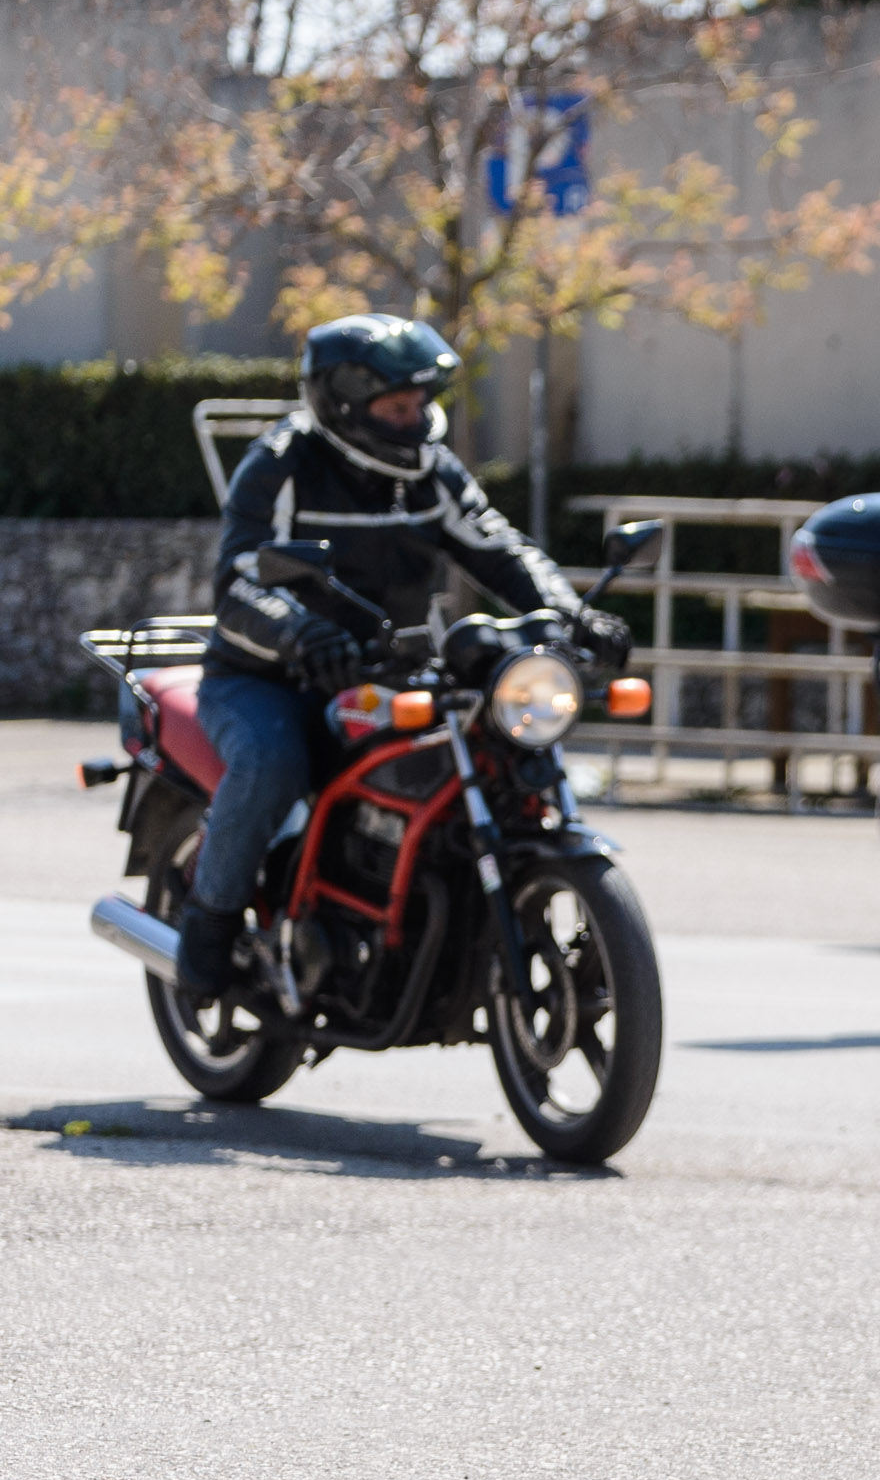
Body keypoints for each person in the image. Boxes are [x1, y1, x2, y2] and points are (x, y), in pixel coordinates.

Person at [194, 315, 626, 999]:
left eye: (421, 402)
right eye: (398, 406)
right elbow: (239, 582)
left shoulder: (431, 472)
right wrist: (303, 635)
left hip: (395, 672)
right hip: (270, 676)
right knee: (275, 761)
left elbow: (500, 548)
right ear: (343, 404)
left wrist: (572, 612)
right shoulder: (283, 465)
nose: (415, 417)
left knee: (491, 757)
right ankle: (208, 934)